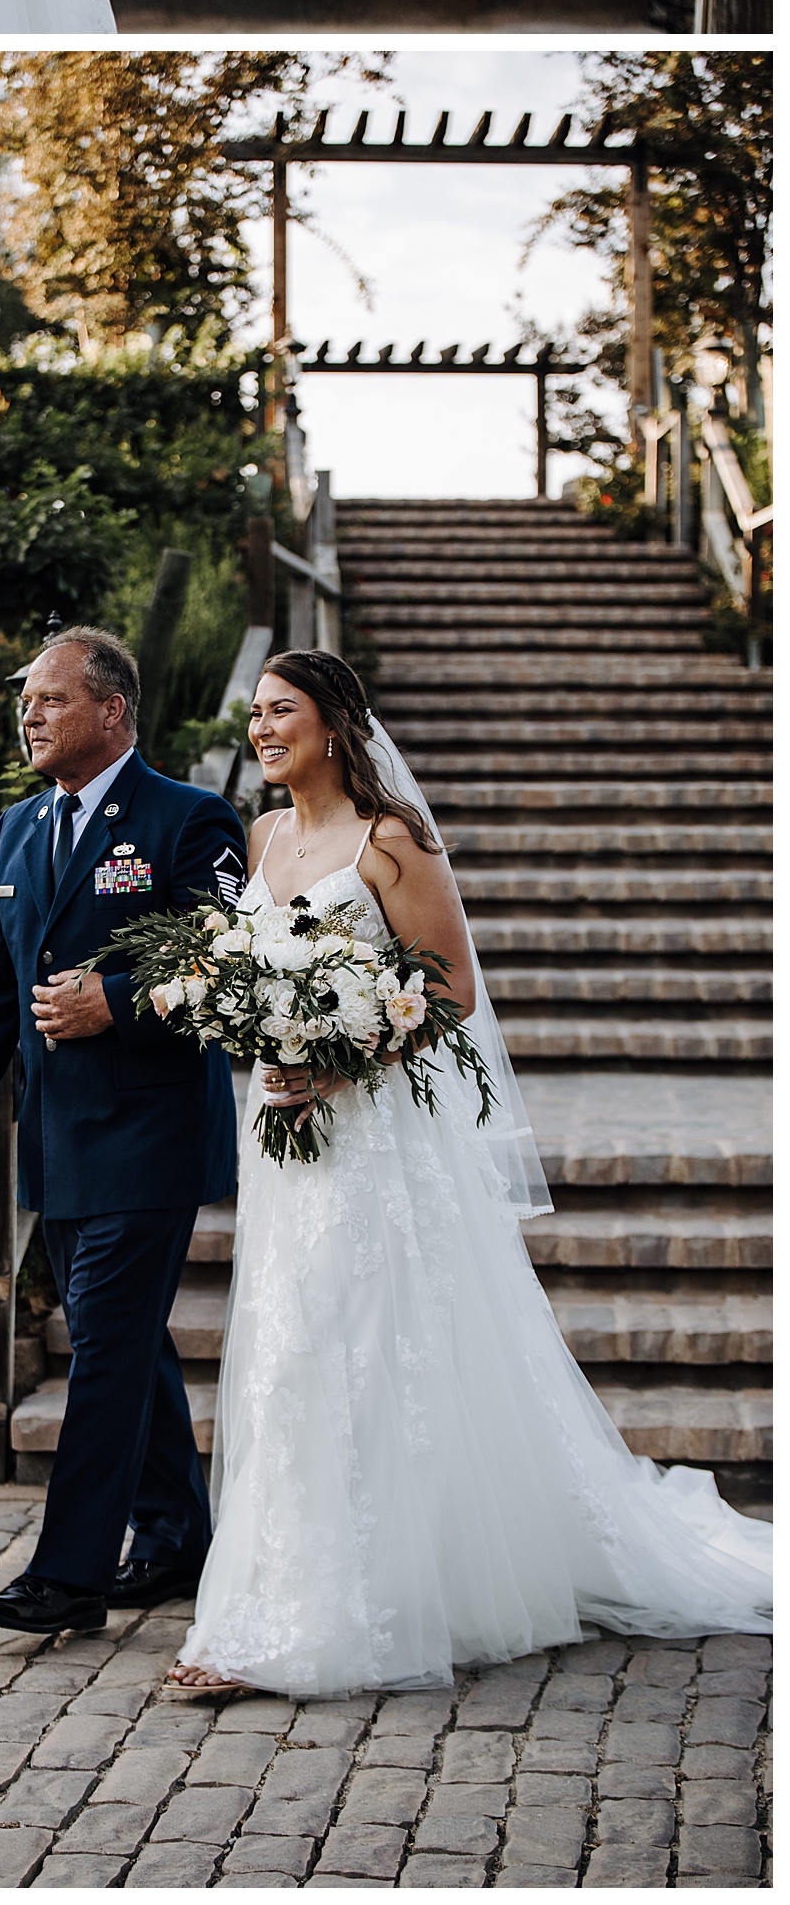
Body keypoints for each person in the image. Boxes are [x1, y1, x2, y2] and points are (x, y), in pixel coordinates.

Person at [170, 650, 772, 1700]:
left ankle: (350, 1608)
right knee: (288, 1347)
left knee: (366, 1343)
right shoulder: (261, 836)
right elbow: (243, 973)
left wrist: (343, 1051)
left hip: (372, 1140)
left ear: (334, 722)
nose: (264, 730)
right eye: (256, 714)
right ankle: (270, 1587)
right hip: (281, 1140)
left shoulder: (392, 841)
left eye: (282, 712)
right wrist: (254, 1030)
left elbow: (444, 989)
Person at [0, 629, 245, 1637]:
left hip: (150, 1137)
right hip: (54, 1144)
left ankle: (68, 1574)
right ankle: (177, 1535)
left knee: (101, 1345)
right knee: (126, 1342)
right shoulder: (17, 828)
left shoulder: (190, 819)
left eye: (50, 699)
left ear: (110, 711)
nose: (28, 715)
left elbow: (226, 960)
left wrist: (115, 1000)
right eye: (25, 701)